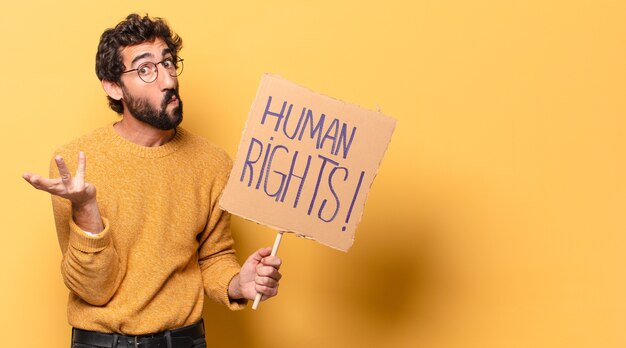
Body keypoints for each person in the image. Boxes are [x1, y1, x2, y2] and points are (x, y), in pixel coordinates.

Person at [22, 13, 282, 348]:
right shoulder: (76, 165)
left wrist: (237, 282)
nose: (168, 80)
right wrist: (86, 209)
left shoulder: (213, 163)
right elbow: (94, 291)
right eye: (146, 69)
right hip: (99, 342)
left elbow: (214, 257)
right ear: (114, 86)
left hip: (183, 340)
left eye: (169, 63)